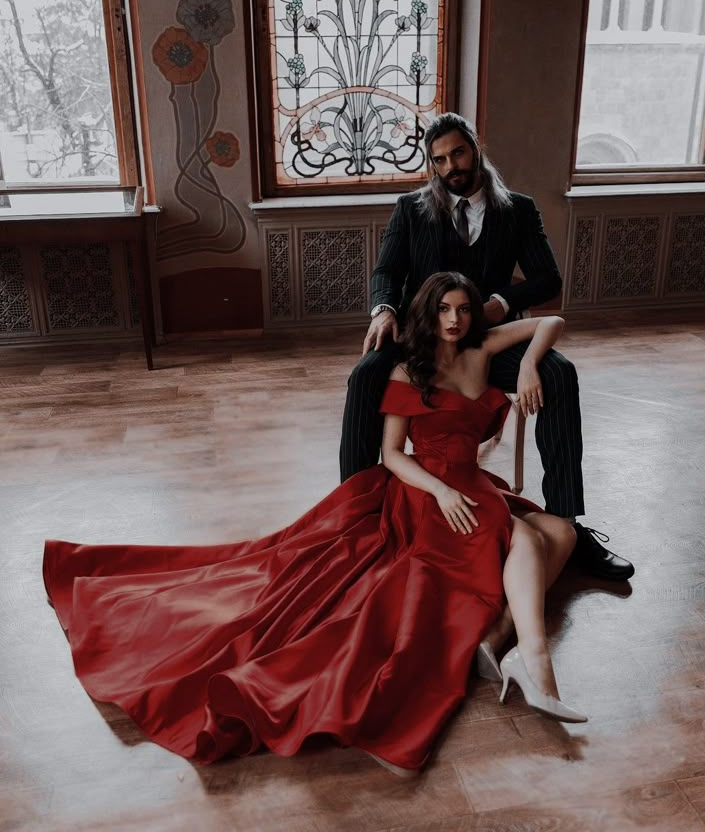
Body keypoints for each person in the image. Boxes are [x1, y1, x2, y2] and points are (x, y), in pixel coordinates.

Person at [43, 273, 585, 778]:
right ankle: (531, 660)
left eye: (464, 310)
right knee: (531, 536)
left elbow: (550, 321)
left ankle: (500, 642)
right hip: (428, 492)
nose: (454, 319)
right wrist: (440, 491)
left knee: (560, 533)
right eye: (443, 309)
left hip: (474, 487)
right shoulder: (408, 370)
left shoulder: (482, 350)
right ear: (427, 313)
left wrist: (533, 363)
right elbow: (393, 455)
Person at [340, 111, 634, 582]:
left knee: (560, 373)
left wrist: (502, 306)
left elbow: (548, 280)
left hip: (485, 341)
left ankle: (569, 526)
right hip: (422, 334)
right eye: (439, 160)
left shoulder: (517, 209)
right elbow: (387, 273)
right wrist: (384, 310)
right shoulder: (411, 208)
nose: (450, 165)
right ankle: (352, 518)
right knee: (365, 375)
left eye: (458, 152)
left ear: (475, 147)